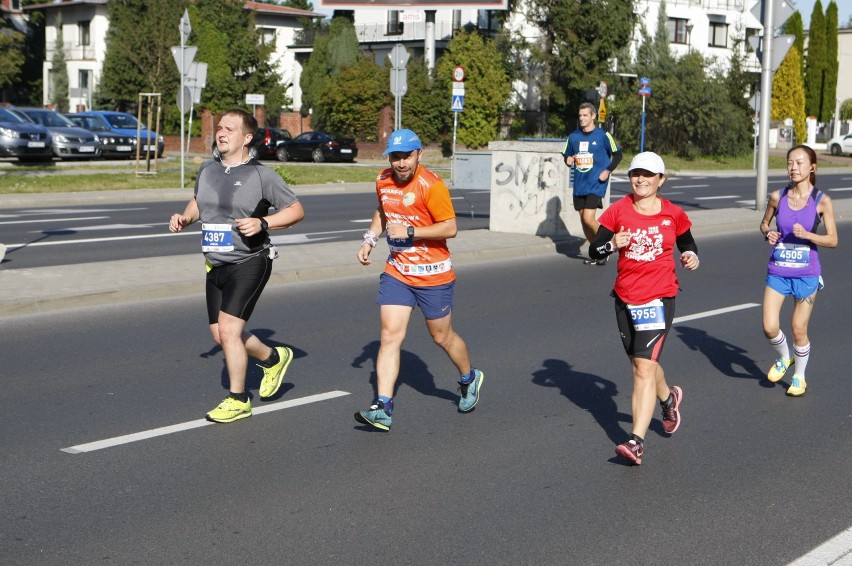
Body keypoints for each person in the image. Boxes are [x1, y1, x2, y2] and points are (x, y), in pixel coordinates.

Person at [168, 109, 305, 423]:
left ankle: (238, 398)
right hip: (214, 264)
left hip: (250, 261)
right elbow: (200, 203)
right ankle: (273, 358)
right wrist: (185, 218)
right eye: (219, 127)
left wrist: (263, 222)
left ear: (247, 137)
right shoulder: (207, 170)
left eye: (229, 128)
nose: (221, 132)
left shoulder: (262, 175)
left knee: (230, 330)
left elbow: (296, 211)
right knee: (221, 335)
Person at [354, 128, 484, 431]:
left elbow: (450, 227)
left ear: (419, 155)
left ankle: (469, 377)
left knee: (441, 337)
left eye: (406, 157)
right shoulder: (383, 180)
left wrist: (411, 231)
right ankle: (383, 407)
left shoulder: (431, 186)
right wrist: (370, 239)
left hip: (433, 274)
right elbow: (382, 211)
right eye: (395, 157)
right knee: (389, 335)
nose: (400, 163)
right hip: (398, 271)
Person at [587, 152, 699, 465]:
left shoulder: (673, 214)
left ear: (660, 180)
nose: (640, 179)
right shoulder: (618, 210)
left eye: (648, 175)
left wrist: (692, 257)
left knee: (642, 369)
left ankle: (636, 441)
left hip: (660, 296)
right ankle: (668, 398)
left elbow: (687, 243)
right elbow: (594, 248)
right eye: (636, 173)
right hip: (625, 296)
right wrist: (613, 245)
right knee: (641, 363)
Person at [759, 145, 837, 397]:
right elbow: (763, 223)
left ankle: (799, 378)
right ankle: (785, 357)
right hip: (778, 270)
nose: (793, 167)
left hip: (807, 274)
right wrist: (768, 233)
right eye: (790, 162)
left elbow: (833, 240)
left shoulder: (821, 201)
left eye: (800, 163)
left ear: (812, 167)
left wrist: (809, 235)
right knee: (769, 326)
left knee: (798, 329)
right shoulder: (776, 196)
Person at [562, 101, 623, 265]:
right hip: (580, 184)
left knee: (589, 219)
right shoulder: (573, 136)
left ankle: (606, 243)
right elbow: (567, 156)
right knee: (583, 219)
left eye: (585, 115)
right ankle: (598, 253)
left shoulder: (603, 136)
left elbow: (618, 155)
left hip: (596, 183)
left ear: (593, 116)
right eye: (580, 115)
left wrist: (607, 170)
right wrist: (568, 160)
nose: (581, 118)